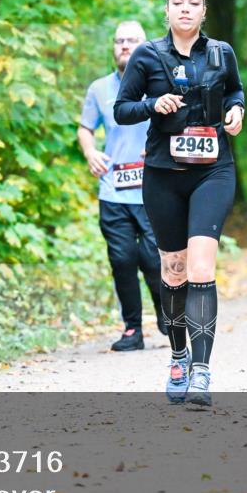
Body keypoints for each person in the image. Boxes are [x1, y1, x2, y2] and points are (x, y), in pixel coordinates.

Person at [114, 0, 245, 407]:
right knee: (174, 270)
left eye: (194, 3)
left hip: (213, 171)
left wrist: (236, 111)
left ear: (204, 11)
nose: (185, 10)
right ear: (167, 10)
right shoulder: (146, 56)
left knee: (202, 267)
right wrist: (154, 105)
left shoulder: (221, 52)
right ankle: (178, 356)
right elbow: (122, 109)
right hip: (164, 174)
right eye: (178, 3)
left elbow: (235, 92)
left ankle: (203, 372)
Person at [78, 21, 166, 352]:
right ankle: (132, 330)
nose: (125, 45)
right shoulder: (99, 89)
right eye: (119, 40)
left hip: (153, 190)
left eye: (132, 40)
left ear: (146, 46)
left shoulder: (161, 83)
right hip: (113, 190)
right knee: (123, 259)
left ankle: (164, 314)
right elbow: (86, 128)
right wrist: (90, 151)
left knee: (154, 259)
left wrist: (162, 145)